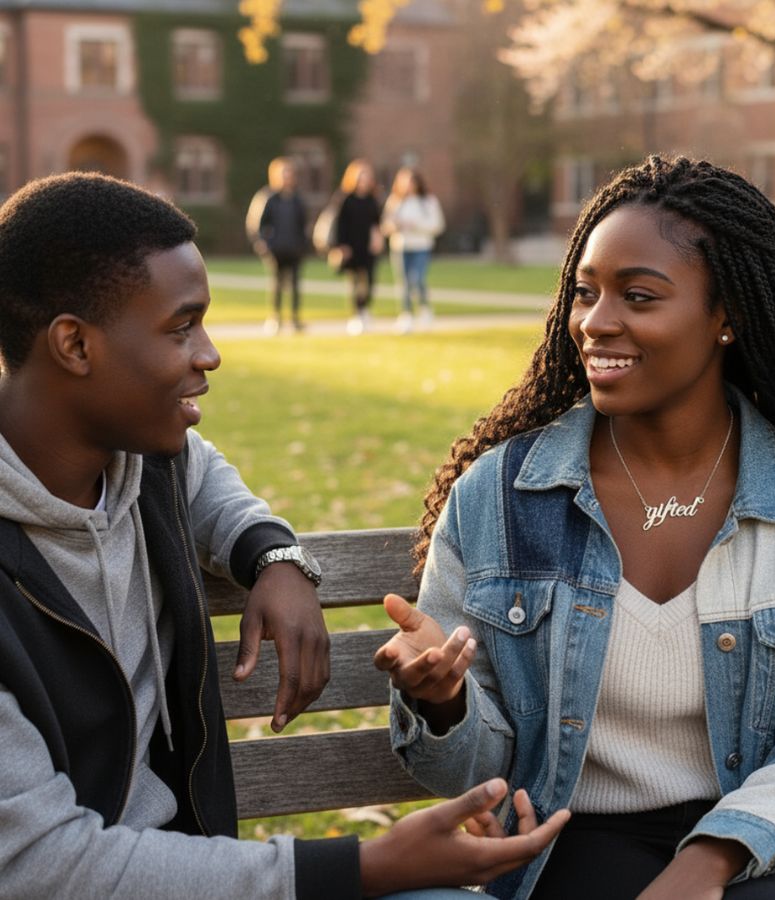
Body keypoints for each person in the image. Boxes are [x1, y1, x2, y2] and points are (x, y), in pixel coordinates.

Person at [0, 171, 571, 898]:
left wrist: (277, 557)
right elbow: (41, 868)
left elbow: (206, 479)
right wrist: (365, 867)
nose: (209, 354)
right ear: (75, 345)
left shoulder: (139, 463)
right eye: (181, 327)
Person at [375, 156, 775, 899]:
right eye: (585, 293)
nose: (595, 321)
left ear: (728, 317)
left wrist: (708, 859)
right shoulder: (501, 495)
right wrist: (444, 702)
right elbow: (474, 774)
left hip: (766, 852)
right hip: (573, 845)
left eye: (638, 296)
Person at [245, 157, 308, 334]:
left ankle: (295, 318)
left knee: (295, 285)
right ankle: (275, 318)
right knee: (277, 284)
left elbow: (303, 223)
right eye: (283, 173)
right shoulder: (268, 198)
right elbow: (256, 223)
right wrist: (262, 243)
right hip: (276, 250)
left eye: (289, 173)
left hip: (294, 248)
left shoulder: (297, 199)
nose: (287, 177)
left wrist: (303, 243)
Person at [381, 167, 445, 333]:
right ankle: (406, 314)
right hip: (401, 247)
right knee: (404, 282)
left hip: (421, 247)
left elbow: (437, 225)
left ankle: (424, 309)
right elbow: (385, 226)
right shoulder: (395, 202)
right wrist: (395, 225)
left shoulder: (428, 202)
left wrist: (415, 225)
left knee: (418, 279)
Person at [334, 159, 383, 335]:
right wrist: (341, 246)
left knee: (369, 282)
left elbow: (378, 222)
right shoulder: (346, 199)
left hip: (368, 247)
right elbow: (340, 224)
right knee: (354, 283)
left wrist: (378, 238)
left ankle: (365, 310)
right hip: (351, 247)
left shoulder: (372, 199)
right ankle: (356, 315)